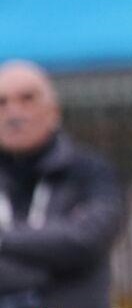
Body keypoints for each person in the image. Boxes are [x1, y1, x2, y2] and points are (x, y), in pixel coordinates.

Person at [0, 62, 124, 308]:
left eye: (27, 99)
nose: (13, 113)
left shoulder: (91, 172)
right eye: (1, 103)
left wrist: (4, 241)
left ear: (54, 111)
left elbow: (87, 241)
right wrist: (52, 254)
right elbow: (71, 248)